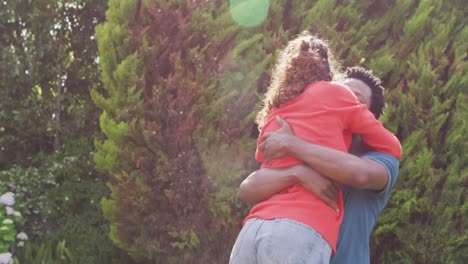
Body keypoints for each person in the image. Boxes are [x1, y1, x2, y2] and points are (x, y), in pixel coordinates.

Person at [229, 32, 402, 264]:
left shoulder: (381, 159)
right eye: (343, 95)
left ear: (369, 116)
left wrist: (292, 144)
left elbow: (360, 173)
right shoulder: (304, 131)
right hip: (287, 236)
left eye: (356, 100)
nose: (344, 103)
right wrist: (296, 174)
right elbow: (247, 188)